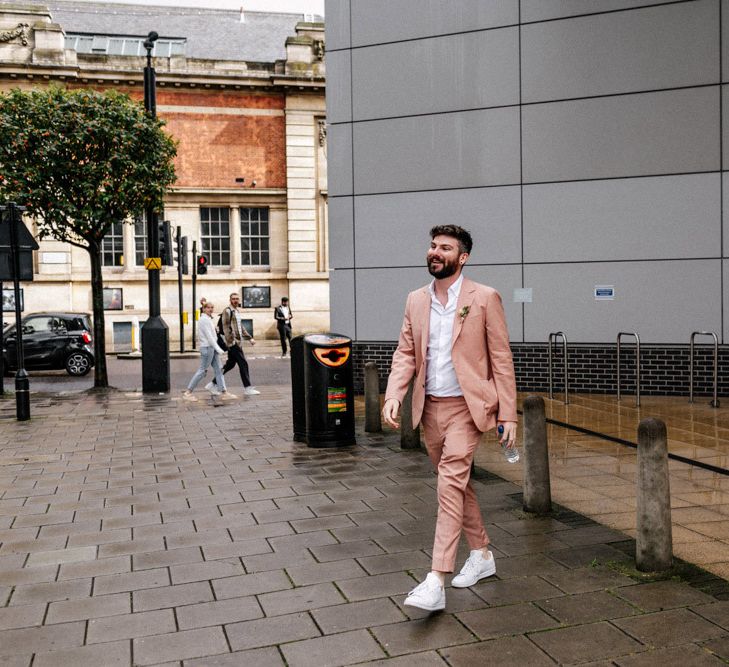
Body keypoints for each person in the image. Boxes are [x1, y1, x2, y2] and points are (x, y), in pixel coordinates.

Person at [382, 224, 517, 612]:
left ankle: (435, 579)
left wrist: (508, 414)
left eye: (445, 247)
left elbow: (502, 360)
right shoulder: (415, 300)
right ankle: (483, 554)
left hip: (467, 409)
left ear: (463, 257)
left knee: (448, 484)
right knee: (455, 485)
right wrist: (394, 394)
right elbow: (406, 353)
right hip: (430, 410)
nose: (435, 252)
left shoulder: (485, 298)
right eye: (432, 246)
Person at [183, 301, 236, 402]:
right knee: (202, 370)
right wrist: (218, 349)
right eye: (208, 308)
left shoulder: (208, 319)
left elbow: (213, 335)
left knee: (219, 369)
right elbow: (209, 337)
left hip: (211, 348)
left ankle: (223, 391)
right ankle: (188, 392)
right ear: (204, 309)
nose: (210, 309)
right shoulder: (204, 320)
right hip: (207, 348)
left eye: (212, 307)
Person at [209, 292, 260, 396]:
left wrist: (249, 338)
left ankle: (213, 383)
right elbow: (226, 328)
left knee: (230, 365)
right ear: (230, 300)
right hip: (233, 343)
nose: (235, 300)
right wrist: (231, 342)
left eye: (237, 299)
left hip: (237, 342)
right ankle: (248, 388)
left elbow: (240, 326)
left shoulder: (236, 311)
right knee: (243, 363)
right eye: (233, 299)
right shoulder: (227, 311)